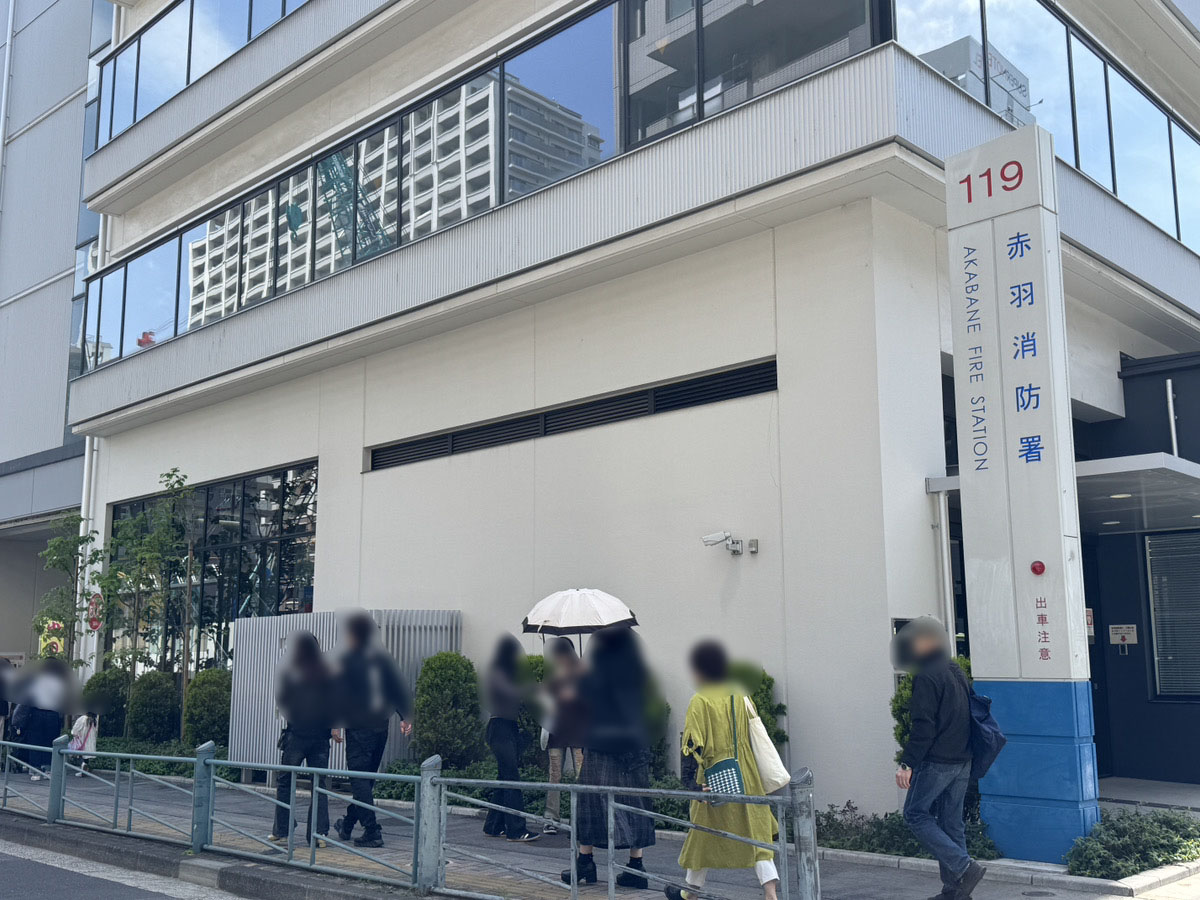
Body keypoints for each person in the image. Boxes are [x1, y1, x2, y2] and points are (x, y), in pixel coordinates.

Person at [666, 641, 778, 900]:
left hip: (714, 776)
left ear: (700, 670)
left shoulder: (700, 700)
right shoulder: (739, 694)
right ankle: (770, 893)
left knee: (702, 834)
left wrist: (691, 786)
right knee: (757, 834)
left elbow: (692, 745)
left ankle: (690, 892)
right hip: (747, 774)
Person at [893, 617, 986, 900]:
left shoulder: (926, 675)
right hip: (963, 760)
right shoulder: (955, 671)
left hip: (938, 761)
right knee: (951, 823)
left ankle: (964, 867)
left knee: (915, 814)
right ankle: (955, 891)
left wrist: (907, 763)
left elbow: (924, 726)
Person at [561, 625, 654, 889]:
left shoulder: (597, 673)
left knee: (590, 802)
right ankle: (636, 866)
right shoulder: (637, 672)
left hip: (602, 747)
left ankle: (585, 861)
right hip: (634, 750)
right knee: (634, 803)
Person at [333, 612, 413, 849]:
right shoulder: (382, 659)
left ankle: (372, 831)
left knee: (359, 780)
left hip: (359, 726)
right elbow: (396, 688)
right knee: (366, 781)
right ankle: (348, 824)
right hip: (380, 726)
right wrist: (405, 716)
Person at [269, 631, 339, 847]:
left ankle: (282, 831)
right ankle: (318, 835)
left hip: (296, 735)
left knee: (285, 782)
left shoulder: (292, 670)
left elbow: (283, 699)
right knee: (319, 785)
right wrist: (334, 727)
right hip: (320, 737)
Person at [482, 635, 540, 843]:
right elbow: (510, 693)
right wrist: (529, 688)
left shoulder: (507, 673)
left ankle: (493, 825)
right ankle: (516, 830)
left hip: (508, 728)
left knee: (504, 777)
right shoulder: (496, 673)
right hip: (499, 728)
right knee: (511, 778)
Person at [542, 637, 586, 835]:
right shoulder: (554, 675)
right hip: (556, 732)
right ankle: (551, 818)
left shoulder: (582, 674)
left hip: (578, 733)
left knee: (581, 777)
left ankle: (581, 820)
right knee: (554, 775)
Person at [12, 659, 70, 780]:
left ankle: (35, 770)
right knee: (51, 742)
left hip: (37, 713)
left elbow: (28, 697)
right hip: (53, 715)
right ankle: (48, 769)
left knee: (35, 741)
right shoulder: (60, 682)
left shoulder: (36, 680)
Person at [69, 710, 99, 776]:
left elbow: (74, 731)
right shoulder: (95, 720)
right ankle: (86, 768)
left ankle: (83, 766)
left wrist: (74, 734)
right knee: (86, 756)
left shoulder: (82, 718)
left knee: (78, 754)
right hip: (90, 741)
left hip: (81, 740)